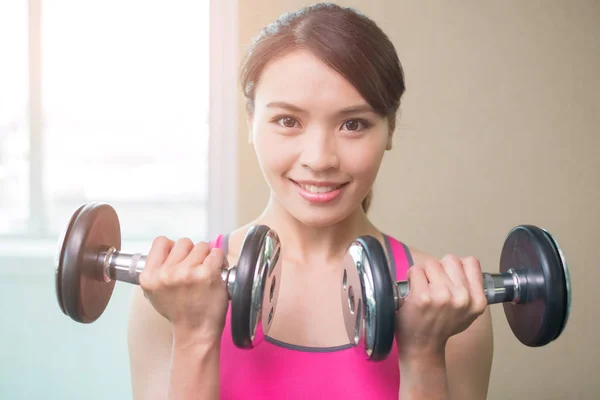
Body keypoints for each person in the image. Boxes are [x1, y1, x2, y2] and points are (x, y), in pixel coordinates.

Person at [127, 3, 494, 399]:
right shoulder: (168, 295)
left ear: (389, 128)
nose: (319, 159)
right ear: (251, 123)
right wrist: (194, 335)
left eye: (353, 124)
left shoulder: (455, 305)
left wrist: (423, 353)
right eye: (288, 121)